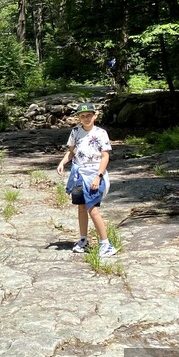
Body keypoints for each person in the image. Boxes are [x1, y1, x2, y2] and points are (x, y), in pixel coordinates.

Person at [56, 102, 118, 257]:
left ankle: (106, 244)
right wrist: (62, 163)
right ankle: (83, 240)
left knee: (92, 208)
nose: (86, 118)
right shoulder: (75, 131)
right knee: (81, 206)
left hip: (94, 173)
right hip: (78, 173)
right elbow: (71, 152)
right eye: (82, 116)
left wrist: (99, 176)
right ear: (79, 118)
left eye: (89, 115)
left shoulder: (101, 133)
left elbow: (105, 156)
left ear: (95, 115)